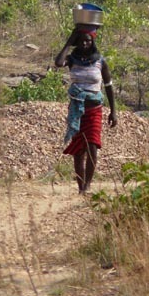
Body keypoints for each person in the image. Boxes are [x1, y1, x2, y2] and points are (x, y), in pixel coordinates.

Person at [55, 26, 117, 194]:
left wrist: (113, 111)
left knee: (92, 146)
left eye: (88, 41)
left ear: (93, 42)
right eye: (81, 40)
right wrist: (69, 41)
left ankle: (87, 186)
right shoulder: (72, 59)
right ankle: (80, 186)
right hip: (76, 109)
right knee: (78, 150)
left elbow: (108, 86)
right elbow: (58, 62)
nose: (84, 44)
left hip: (94, 109)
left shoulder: (100, 61)